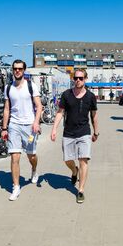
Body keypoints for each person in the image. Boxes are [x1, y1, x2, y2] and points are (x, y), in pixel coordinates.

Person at [50, 69, 99, 204]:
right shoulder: (66, 95)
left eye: (81, 78)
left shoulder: (90, 97)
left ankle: (81, 190)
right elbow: (60, 112)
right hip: (69, 133)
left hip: (84, 132)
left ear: (85, 79)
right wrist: (54, 129)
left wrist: (96, 132)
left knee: (84, 161)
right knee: (67, 160)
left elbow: (94, 115)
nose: (78, 80)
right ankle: (74, 171)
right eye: (76, 78)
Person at [1, 60, 42, 201]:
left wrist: (36, 122)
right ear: (12, 70)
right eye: (15, 69)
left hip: (29, 126)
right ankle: (16, 187)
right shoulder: (8, 88)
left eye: (20, 69)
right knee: (14, 157)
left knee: (31, 156)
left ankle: (34, 170)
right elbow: (6, 109)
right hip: (14, 125)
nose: (17, 71)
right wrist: (4, 128)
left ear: (24, 70)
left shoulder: (31, 86)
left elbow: (39, 106)